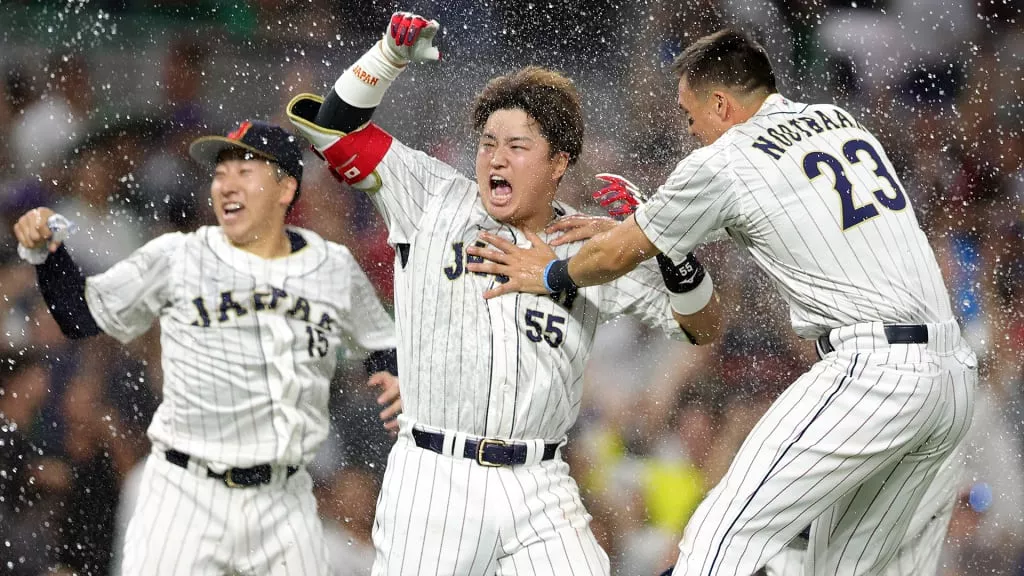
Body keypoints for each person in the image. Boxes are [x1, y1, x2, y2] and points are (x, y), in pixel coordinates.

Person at [468, 29, 978, 576]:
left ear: (721, 103)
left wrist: (549, 272)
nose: (691, 133)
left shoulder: (728, 158)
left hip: (876, 372)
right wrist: (642, 228)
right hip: (951, 376)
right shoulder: (837, 120)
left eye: (691, 117)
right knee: (848, 568)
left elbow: (621, 253)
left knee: (725, 532)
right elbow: (774, 215)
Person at [285, 11, 721, 575]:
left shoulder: (592, 248)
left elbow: (702, 325)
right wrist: (388, 56)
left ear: (559, 162)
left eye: (517, 146)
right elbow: (335, 127)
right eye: (488, 142)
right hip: (436, 476)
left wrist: (666, 247)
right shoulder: (431, 197)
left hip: (539, 484)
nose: (495, 157)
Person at [12, 120, 401, 576]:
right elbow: (79, 316)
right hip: (186, 493)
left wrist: (392, 374)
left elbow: (383, 343)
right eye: (220, 173)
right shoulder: (178, 256)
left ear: (285, 189)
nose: (227, 185)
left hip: (283, 499)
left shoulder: (331, 266)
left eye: (244, 171)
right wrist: (48, 252)